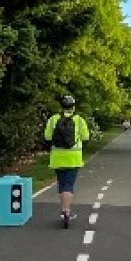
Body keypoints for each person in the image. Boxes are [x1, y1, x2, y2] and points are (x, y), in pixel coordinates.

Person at [43, 94, 92, 229]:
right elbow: (86, 137)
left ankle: (63, 209)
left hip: (57, 158)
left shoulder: (53, 119)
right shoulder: (79, 120)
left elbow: (47, 137)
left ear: (61, 106)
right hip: (73, 158)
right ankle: (66, 211)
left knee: (61, 183)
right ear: (73, 107)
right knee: (69, 185)